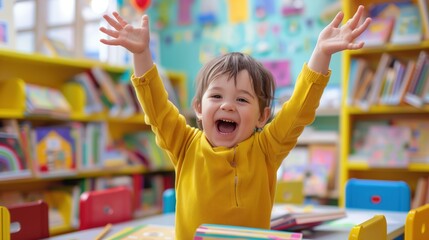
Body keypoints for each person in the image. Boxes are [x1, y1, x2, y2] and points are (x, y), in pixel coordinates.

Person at [100, 5, 371, 240]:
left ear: (262, 117)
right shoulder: (184, 145)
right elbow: (156, 107)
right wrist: (141, 55)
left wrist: (321, 53)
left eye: (242, 100)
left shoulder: (267, 148)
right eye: (216, 96)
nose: (227, 105)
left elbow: (299, 110)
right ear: (199, 109)